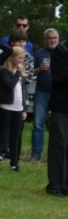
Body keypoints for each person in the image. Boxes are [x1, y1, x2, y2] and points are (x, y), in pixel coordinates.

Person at [0, 46, 28, 172]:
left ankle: (14, 162)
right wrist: (18, 72)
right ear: (12, 58)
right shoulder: (4, 71)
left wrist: (24, 109)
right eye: (19, 57)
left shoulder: (21, 73)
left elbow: (22, 91)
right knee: (1, 135)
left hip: (18, 108)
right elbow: (10, 85)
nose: (21, 60)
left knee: (15, 137)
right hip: (6, 107)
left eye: (23, 58)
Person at [31, 29, 59, 161]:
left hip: (59, 94)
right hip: (42, 92)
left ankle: (55, 155)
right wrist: (40, 69)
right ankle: (36, 154)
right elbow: (30, 73)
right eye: (49, 38)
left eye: (54, 38)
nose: (52, 40)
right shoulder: (39, 53)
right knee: (38, 124)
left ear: (58, 38)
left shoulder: (63, 52)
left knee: (59, 126)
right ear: (44, 40)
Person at [46, 39, 68, 196]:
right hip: (61, 106)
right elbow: (58, 76)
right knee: (59, 146)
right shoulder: (61, 50)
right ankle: (56, 185)